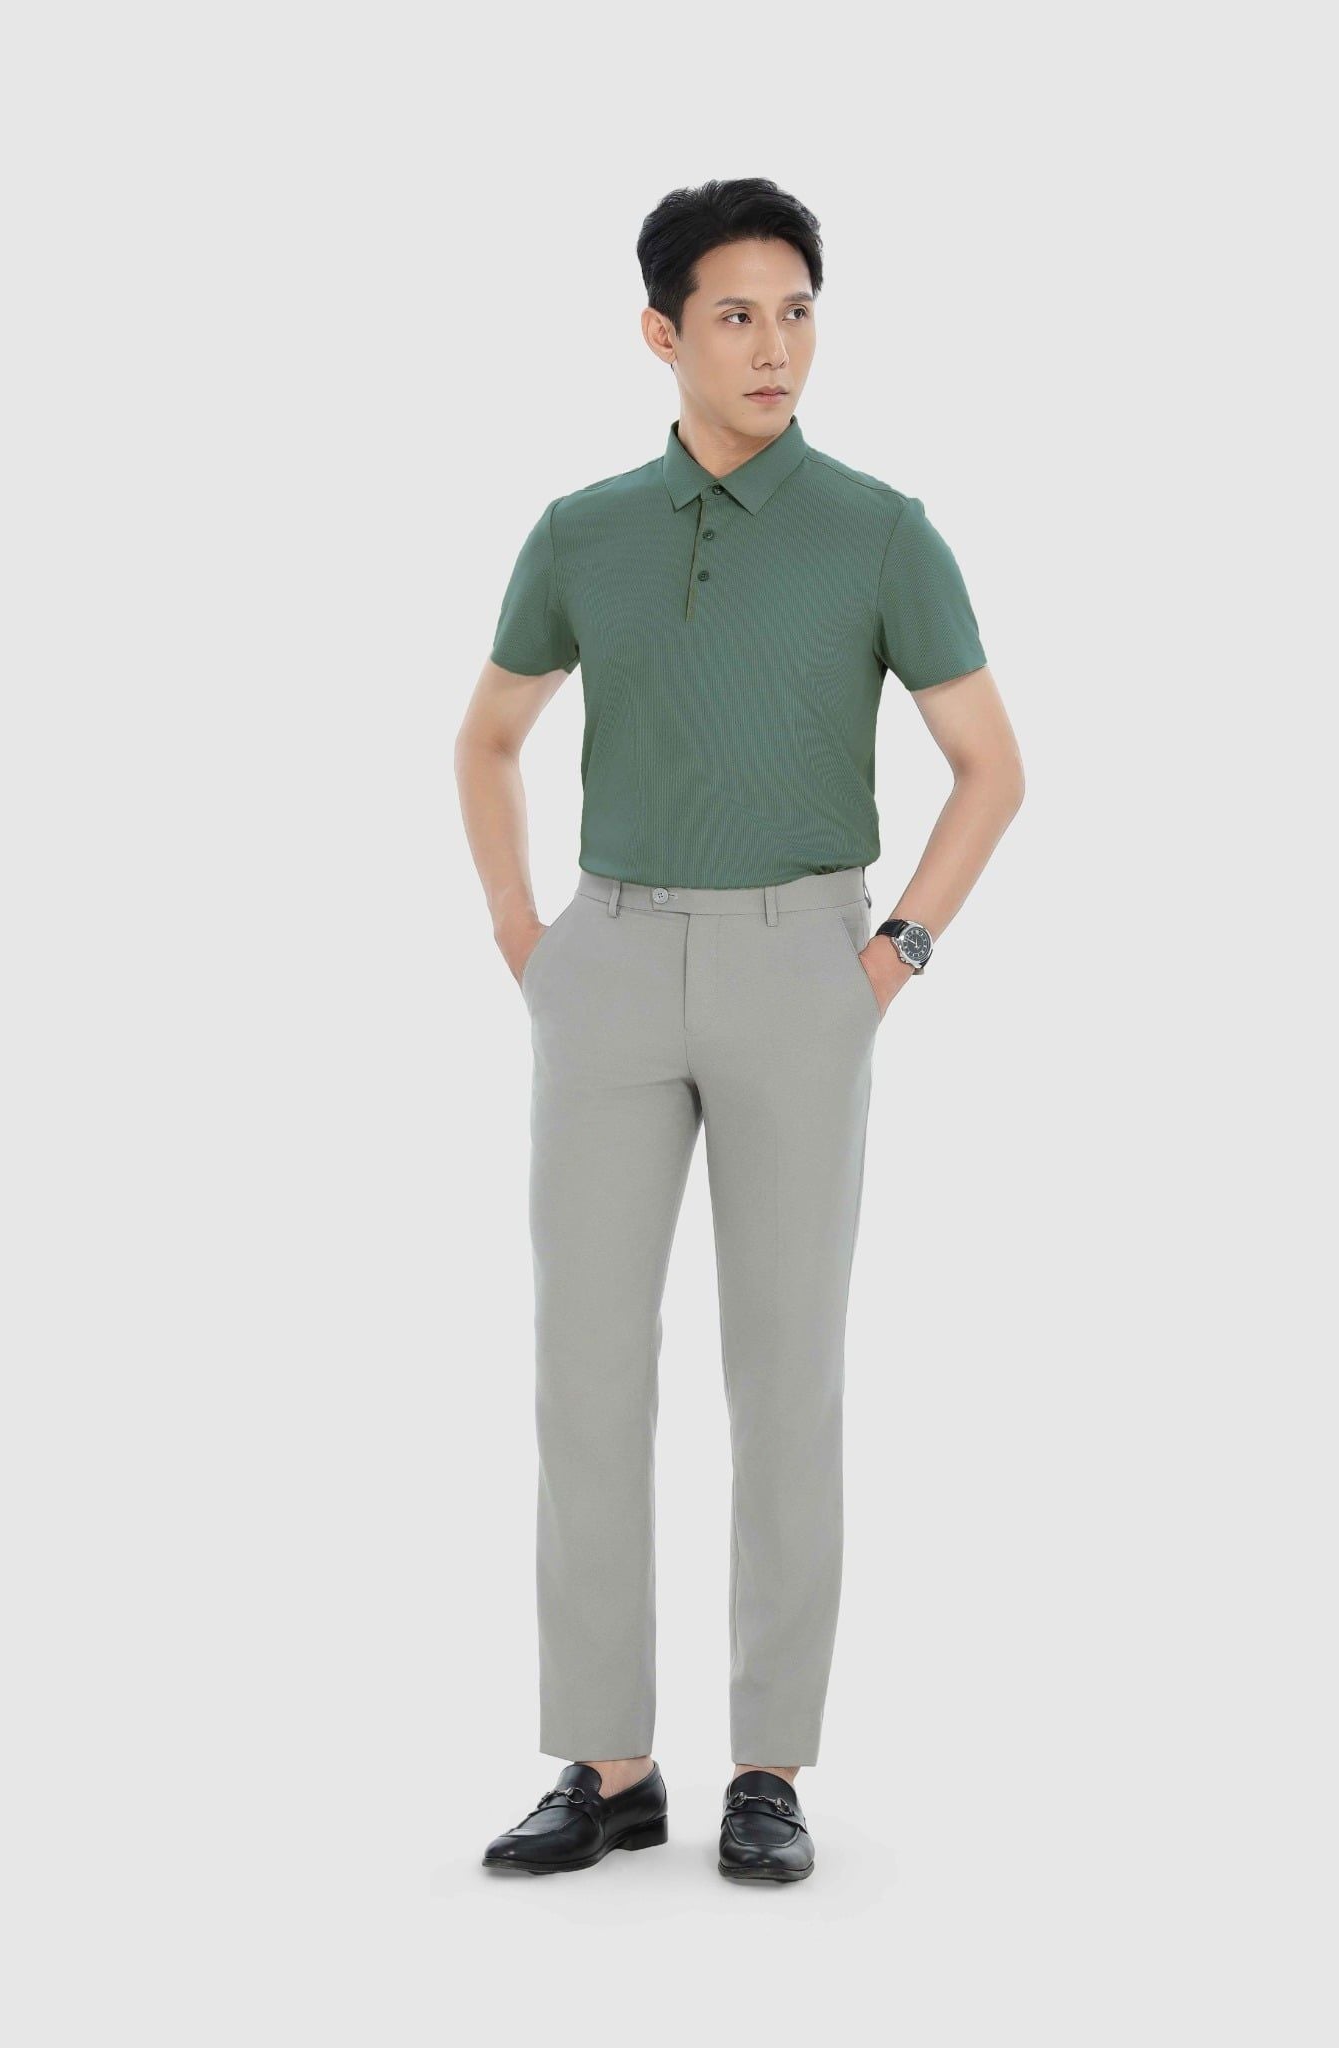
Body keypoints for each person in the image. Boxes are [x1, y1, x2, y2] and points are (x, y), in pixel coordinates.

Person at [454, 177, 1024, 1883]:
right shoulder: (580, 532)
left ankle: (766, 1768)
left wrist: (890, 954)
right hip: (609, 965)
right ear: (660, 332)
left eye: (796, 312)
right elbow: (485, 739)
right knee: (583, 1372)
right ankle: (608, 1763)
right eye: (735, 315)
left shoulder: (879, 530)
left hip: (803, 966)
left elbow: (990, 768)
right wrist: (526, 939)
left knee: (785, 1374)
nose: (775, 347)